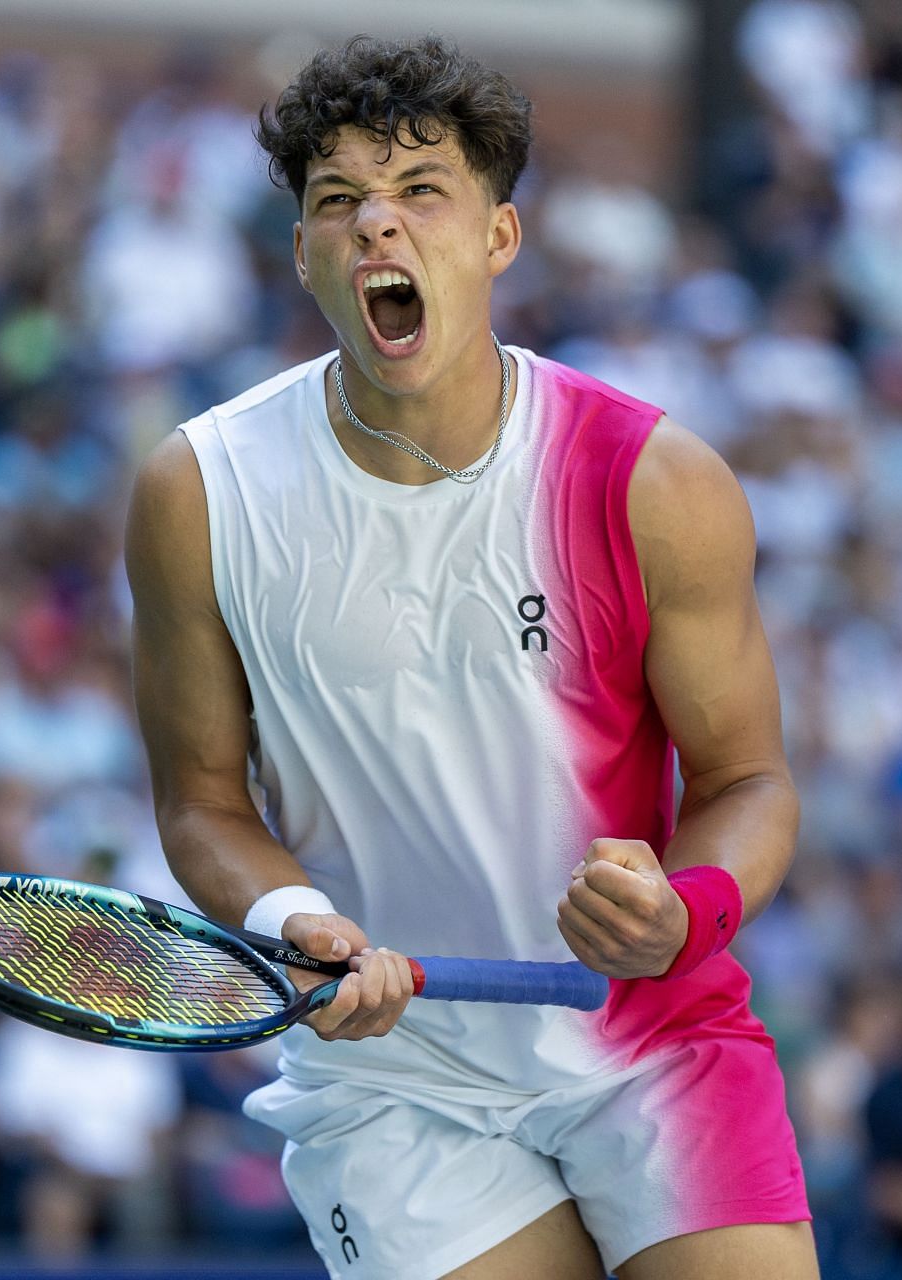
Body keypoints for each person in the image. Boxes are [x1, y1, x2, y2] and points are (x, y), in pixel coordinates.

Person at [126, 35, 813, 1280]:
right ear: (302, 254)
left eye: (422, 192)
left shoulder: (653, 482)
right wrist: (297, 920)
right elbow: (203, 800)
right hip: (394, 1072)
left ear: (498, 236)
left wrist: (683, 909)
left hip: (649, 1035)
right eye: (338, 203)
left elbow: (749, 783)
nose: (377, 227)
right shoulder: (200, 494)